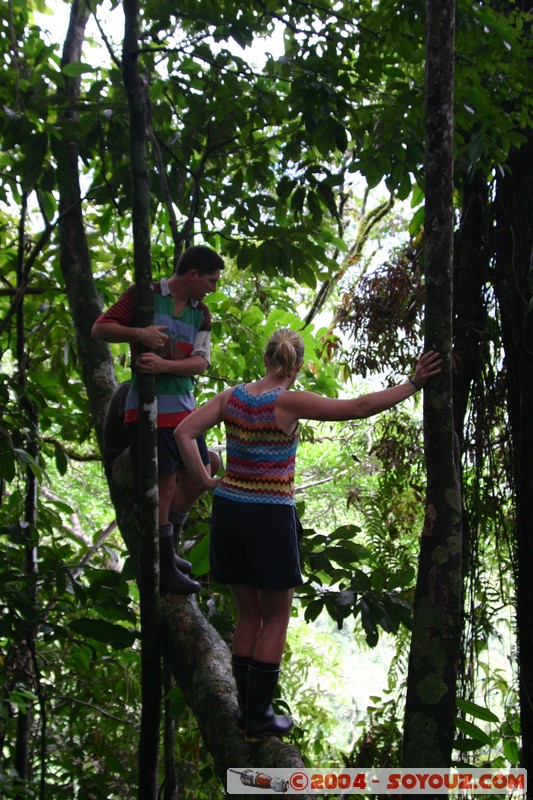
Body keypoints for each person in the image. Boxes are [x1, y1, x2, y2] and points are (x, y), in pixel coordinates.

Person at [174, 328, 442, 740]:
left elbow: (183, 432)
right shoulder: (287, 401)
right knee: (276, 616)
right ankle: (257, 716)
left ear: (265, 359)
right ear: (296, 365)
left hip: (229, 512)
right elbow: (359, 407)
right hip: (268, 518)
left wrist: (207, 481)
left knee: (248, 614)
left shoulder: (232, 398)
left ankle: (247, 714)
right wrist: (414, 383)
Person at [92, 244, 224, 594]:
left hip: (185, 411)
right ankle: (163, 564)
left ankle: (169, 543)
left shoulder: (202, 313)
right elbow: (100, 328)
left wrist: (165, 365)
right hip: (150, 409)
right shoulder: (146, 295)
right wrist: (140, 334)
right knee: (164, 481)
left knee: (202, 470)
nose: (213, 287)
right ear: (192, 274)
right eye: (210, 280)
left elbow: (201, 362)